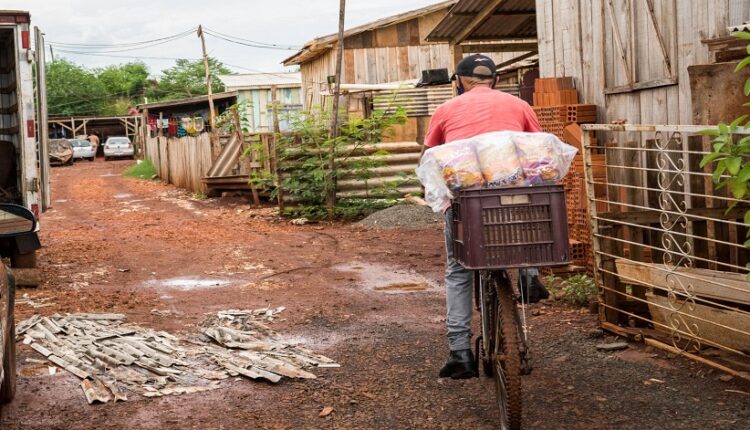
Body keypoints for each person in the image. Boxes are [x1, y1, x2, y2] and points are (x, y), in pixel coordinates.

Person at [425, 54, 549, 379]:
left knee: (458, 269)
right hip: (513, 203)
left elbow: (431, 154)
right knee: (526, 202)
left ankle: (460, 354)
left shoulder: (446, 110)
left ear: (459, 82)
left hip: (468, 204)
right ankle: (528, 272)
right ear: (493, 80)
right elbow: (537, 152)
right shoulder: (519, 105)